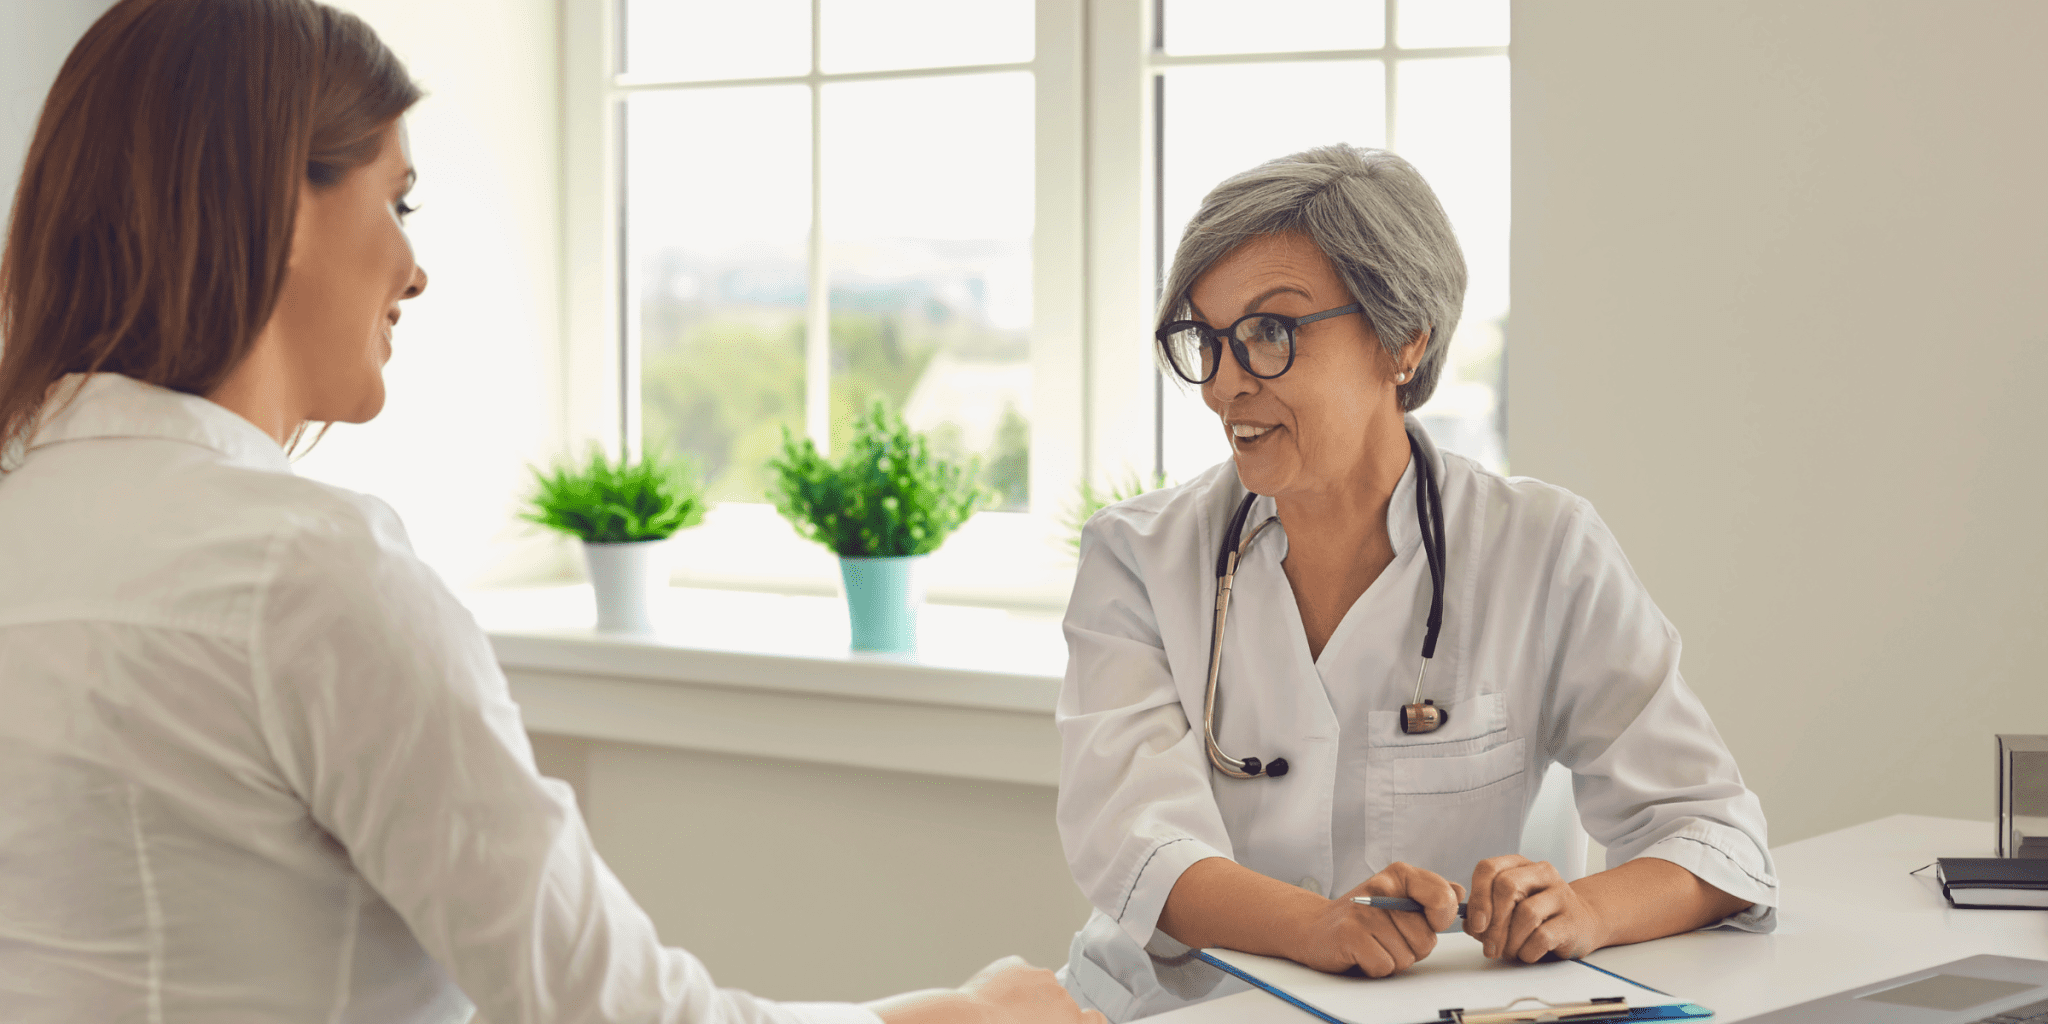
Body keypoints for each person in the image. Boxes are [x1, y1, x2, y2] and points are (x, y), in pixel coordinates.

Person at [0, 3, 1101, 1023]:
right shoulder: (306, 571)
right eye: (395, 200)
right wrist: (958, 1016)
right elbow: (604, 1012)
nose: (414, 267)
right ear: (284, 202)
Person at [1052, 145, 1776, 1022]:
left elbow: (1714, 835)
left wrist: (1584, 910)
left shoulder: (1542, 550)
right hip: (1168, 1010)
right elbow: (1135, 845)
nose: (1226, 384)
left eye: (1270, 333)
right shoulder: (1136, 557)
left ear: (1403, 340)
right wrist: (1316, 927)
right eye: (1206, 339)